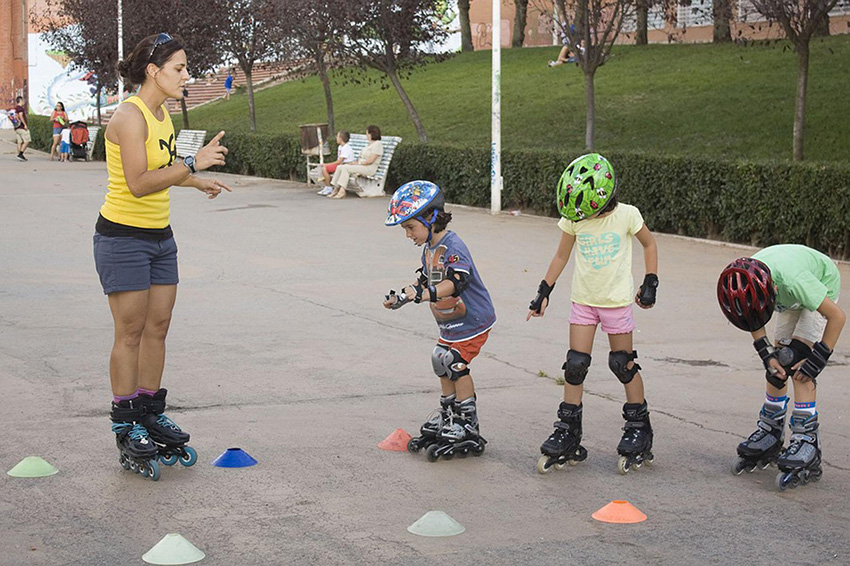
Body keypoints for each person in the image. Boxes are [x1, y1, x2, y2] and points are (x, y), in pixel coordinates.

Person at [95, 32, 232, 481]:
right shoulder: (129, 118)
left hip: (159, 236)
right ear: (154, 71)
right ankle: (125, 421)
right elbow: (137, 182)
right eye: (179, 68)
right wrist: (194, 165)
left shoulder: (161, 116)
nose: (186, 76)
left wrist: (197, 182)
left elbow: (163, 172)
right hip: (122, 238)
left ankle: (150, 411)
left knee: (158, 328)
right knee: (130, 331)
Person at [527, 153, 659, 475]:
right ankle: (568, 430)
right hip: (583, 302)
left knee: (622, 363)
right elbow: (561, 255)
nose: (585, 216)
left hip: (616, 303)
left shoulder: (627, 215)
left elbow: (650, 244)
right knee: (575, 365)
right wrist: (544, 291)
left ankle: (639, 427)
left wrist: (650, 281)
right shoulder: (575, 217)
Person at [383, 181, 496, 461]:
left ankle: (467, 422)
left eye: (411, 228)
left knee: (456, 363)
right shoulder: (430, 248)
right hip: (450, 322)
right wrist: (403, 296)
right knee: (439, 359)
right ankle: (449, 416)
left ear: (431, 219)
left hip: (473, 319)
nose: (408, 235)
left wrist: (424, 294)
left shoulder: (452, 245)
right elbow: (425, 279)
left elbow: (456, 281)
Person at [718, 246, 845, 491]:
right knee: (777, 364)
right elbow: (752, 314)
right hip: (789, 294)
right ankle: (771, 433)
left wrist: (818, 359)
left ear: (772, 290)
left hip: (820, 282)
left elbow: (837, 317)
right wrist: (766, 355)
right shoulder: (746, 277)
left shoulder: (796, 282)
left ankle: (806, 439)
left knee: (798, 363)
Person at [328, 125, 384, 199]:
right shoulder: (369, 144)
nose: (366, 135)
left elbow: (371, 161)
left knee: (346, 168)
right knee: (340, 167)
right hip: (362, 166)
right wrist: (354, 163)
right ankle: (335, 189)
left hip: (369, 168)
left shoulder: (378, 144)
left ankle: (342, 191)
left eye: (367, 134)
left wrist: (358, 163)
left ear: (371, 134)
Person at [317, 131, 356, 196]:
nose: (336, 138)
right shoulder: (340, 147)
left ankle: (328, 187)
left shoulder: (346, 148)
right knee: (323, 168)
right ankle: (327, 187)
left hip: (345, 165)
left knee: (324, 168)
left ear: (341, 139)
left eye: (337, 137)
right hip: (340, 165)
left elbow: (340, 161)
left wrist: (327, 164)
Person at [12, 96, 30, 161]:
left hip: (17, 127)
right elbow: (21, 116)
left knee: (19, 142)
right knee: (27, 141)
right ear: (21, 100)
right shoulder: (20, 108)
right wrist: (25, 125)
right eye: (23, 100)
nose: (24, 102)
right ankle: (20, 154)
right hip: (22, 127)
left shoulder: (15, 108)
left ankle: (19, 156)